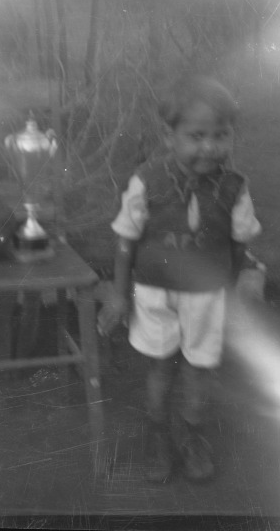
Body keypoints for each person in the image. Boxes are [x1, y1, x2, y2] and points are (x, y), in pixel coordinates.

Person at [97, 74, 262, 483]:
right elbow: (125, 239)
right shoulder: (146, 182)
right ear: (169, 135)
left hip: (206, 297)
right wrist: (120, 295)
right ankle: (159, 438)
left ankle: (193, 437)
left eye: (220, 135)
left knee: (198, 371)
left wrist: (232, 288)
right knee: (160, 368)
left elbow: (239, 242)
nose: (209, 147)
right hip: (154, 294)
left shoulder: (234, 188)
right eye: (196, 135)